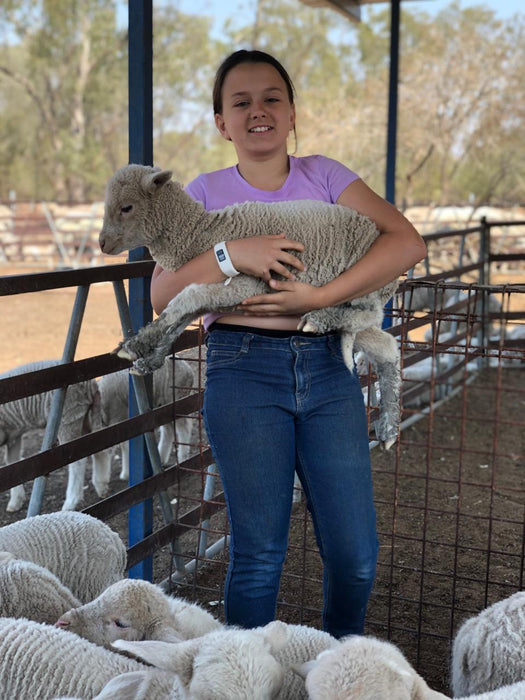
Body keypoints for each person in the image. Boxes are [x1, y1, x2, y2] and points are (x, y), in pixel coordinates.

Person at [151, 49, 427, 638]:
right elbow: (162, 294)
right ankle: (248, 675)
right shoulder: (203, 193)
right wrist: (230, 254)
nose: (258, 110)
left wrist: (321, 297)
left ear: (292, 111)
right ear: (221, 122)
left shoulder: (326, 176)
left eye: (272, 97)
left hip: (328, 364)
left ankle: (340, 662)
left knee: (355, 555)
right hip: (243, 368)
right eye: (240, 101)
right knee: (258, 554)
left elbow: (404, 242)